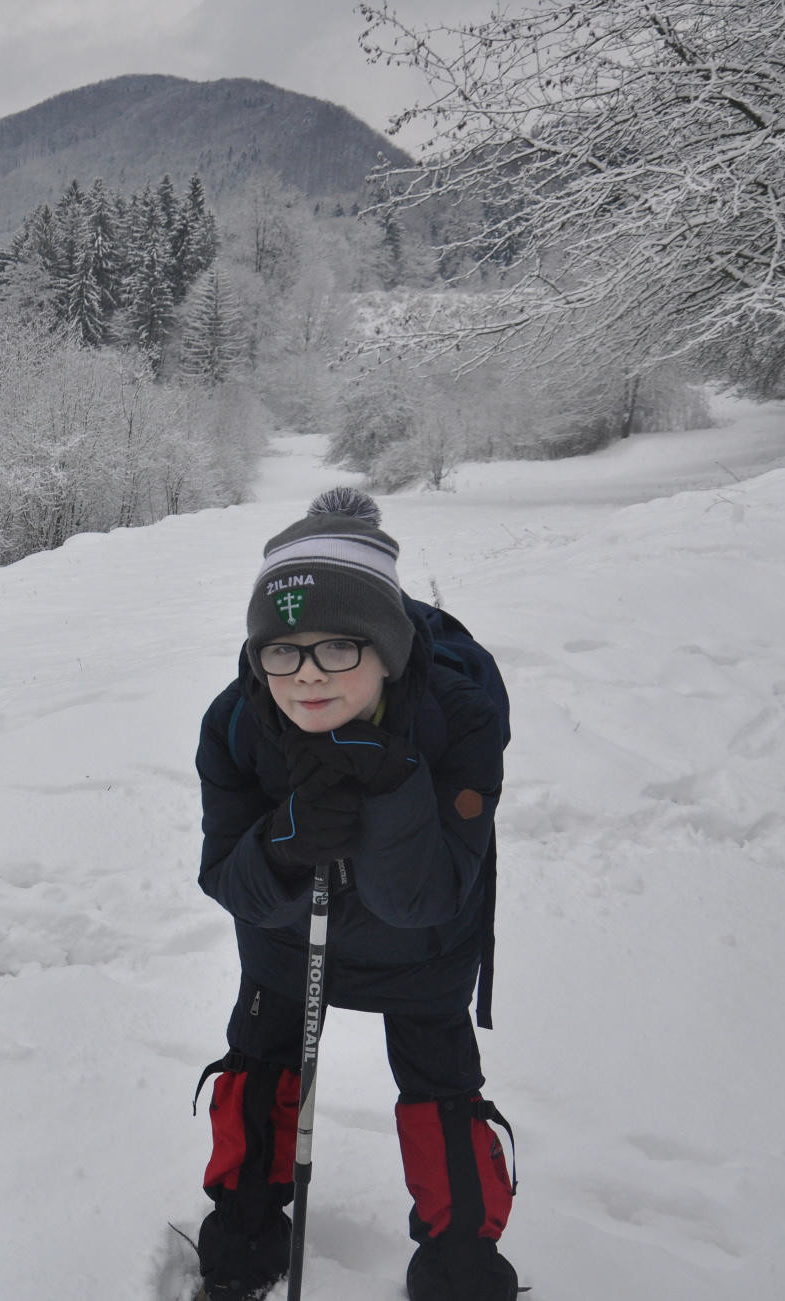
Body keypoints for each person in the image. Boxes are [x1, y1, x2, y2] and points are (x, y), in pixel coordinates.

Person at [190, 487, 517, 1301]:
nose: (306, 677)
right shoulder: (236, 721)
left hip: (424, 950)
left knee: (440, 1089)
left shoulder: (461, 717)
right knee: (262, 1067)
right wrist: (284, 845)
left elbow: (428, 896)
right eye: (283, 651)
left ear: (389, 650)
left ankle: (461, 1265)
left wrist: (392, 787)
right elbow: (227, 876)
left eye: (339, 647)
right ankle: (244, 1224)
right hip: (284, 944)